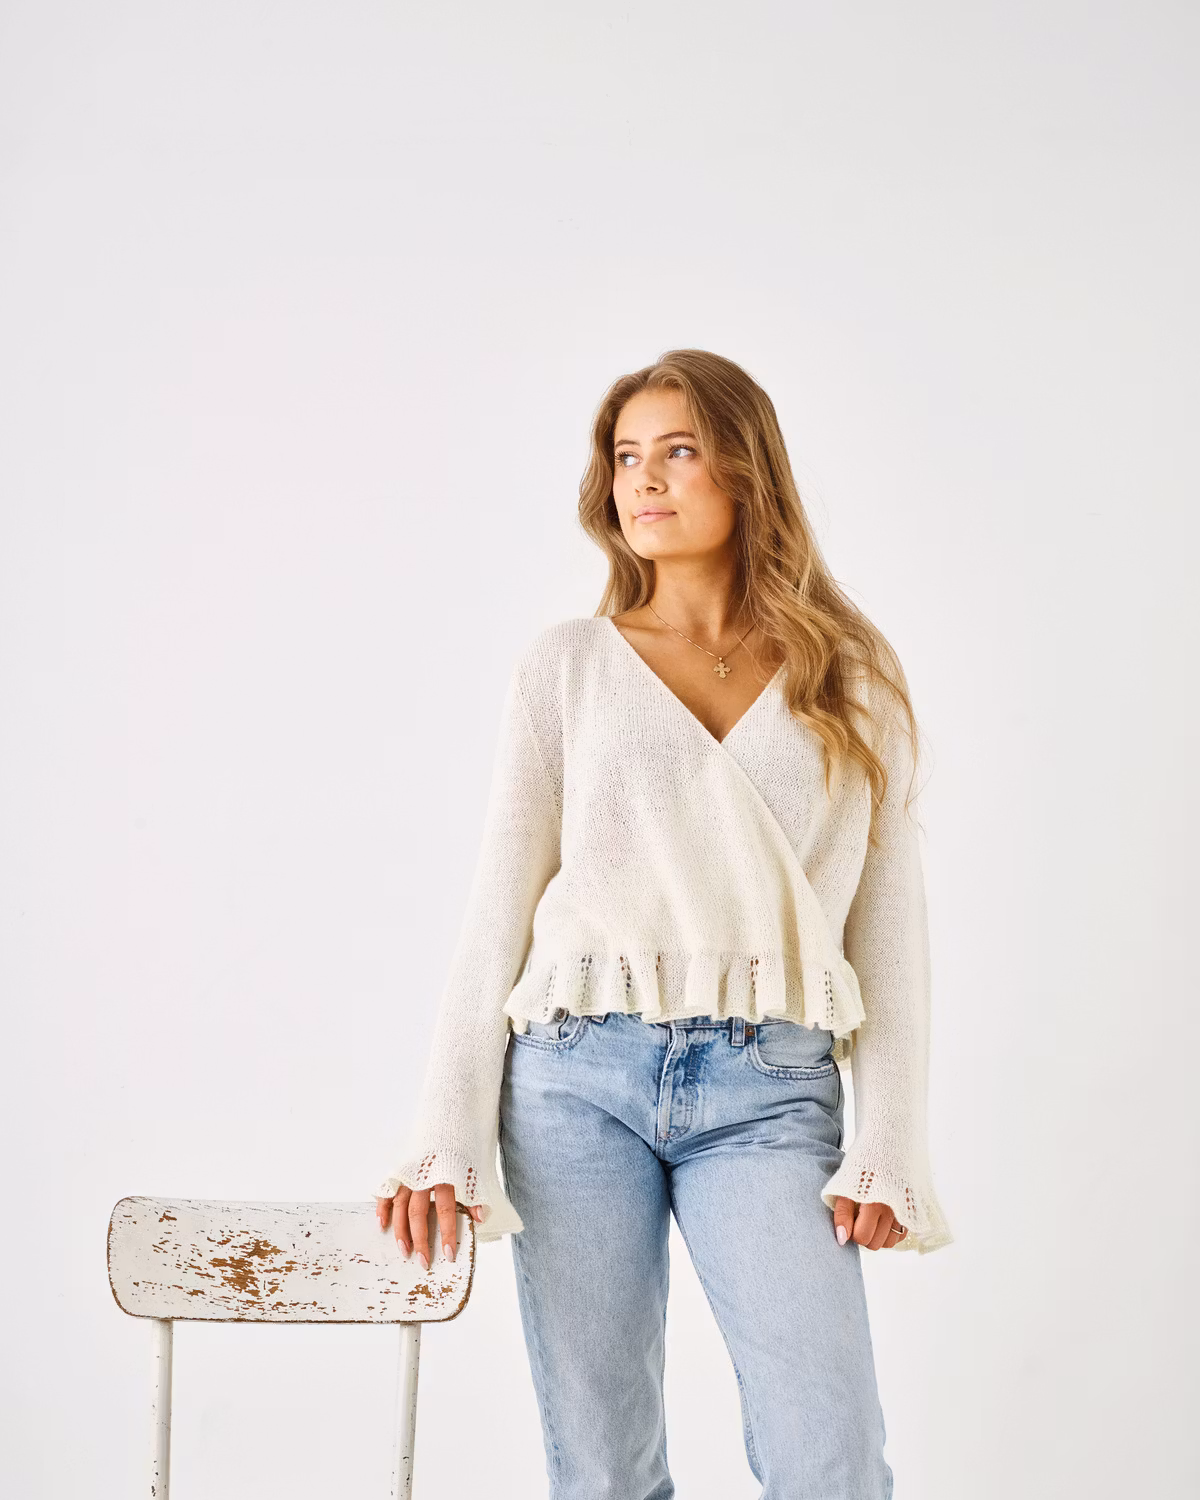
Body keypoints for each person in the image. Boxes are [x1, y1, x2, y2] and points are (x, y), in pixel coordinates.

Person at [374, 348, 953, 1498]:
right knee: (603, 1467)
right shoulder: (568, 668)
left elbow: (889, 927)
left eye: (678, 451)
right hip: (572, 1079)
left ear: (747, 468)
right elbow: (496, 909)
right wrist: (446, 1129)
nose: (643, 479)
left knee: (830, 1456)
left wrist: (889, 1145)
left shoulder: (848, 675)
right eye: (626, 455)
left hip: (771, 1088)